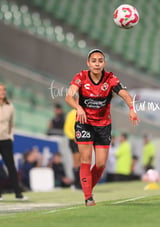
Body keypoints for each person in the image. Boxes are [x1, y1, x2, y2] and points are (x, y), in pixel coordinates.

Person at [65, 48, 139, 206]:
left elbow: (124, 94)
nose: (97, 64)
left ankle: (87, 188)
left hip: (103, 125)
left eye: (100, 61)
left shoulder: (110, 78)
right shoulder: (81, 77)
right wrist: (78, 108)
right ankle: (88, 197)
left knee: (100, 164)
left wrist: (132, 109)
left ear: (104, 63)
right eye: (94, 61)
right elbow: (69, 96)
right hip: (84, 123)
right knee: (85, 159)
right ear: (88, 63)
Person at [63, 107, 81, 189]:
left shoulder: (84, 111)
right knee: (77, 162)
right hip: (74, 140)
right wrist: (73, 137)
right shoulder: (72, 113)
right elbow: (67, 128)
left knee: (83, 161)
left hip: (83, 139)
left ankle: (80, 182)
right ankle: (77, 183)